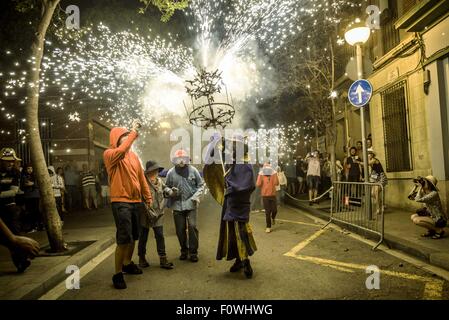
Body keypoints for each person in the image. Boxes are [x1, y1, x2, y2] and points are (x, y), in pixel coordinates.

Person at [104, 120, 153, 290]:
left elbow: (141, 177)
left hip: (135, 201)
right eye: (123, 137)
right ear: (116, 139)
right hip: (121, 202)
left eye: (128, 137)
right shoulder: (110, 154)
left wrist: (147, 197)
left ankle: (127, 263)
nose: (127, 140)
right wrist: (132, 132)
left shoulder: (134, 157)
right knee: (124, 238)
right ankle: (117, 274)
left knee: (134, 235)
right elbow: (122, 150)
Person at [214, 136, 257, 279]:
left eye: (233, 147)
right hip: (231, 204)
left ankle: (246, 261)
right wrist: (221, 141)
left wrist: (231, 188)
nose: (230, 149)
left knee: (241, 233)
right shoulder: (231, 162)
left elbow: (248, 185)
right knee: (232, 233)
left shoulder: (245, 164)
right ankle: (239, 260)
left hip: (240, 204)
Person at [165, 149, 204, 263]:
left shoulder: (193, 171)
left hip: (191, 204)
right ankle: (183, 250)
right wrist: (170, 191)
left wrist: (196, 196)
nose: (181, 161)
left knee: (192, 226)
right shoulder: (171, 173)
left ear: (188, 160)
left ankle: (193, 252)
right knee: (180, 229)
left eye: (184, 159)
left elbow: (200, 185)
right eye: (179, 159)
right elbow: (166, 186)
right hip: (177, 205)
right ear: (175, 160)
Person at [0, 148, 34, 272]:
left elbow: (13, 192)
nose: (10, 163)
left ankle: (22, 261)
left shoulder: (16, 173)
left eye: (12, 161)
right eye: (7, 161)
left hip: (10, 208)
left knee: (14, 234)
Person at [138, 160, 174, 270]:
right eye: (154, 170)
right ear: (148, 172)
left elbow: (165, 188)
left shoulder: (159, 181)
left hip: (158, 213)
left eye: (157, 170)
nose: (156, 173)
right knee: (143, 236)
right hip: (146, 213)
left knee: (159, 235)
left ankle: (163, 259)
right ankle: (142, 258)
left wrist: (170, 191)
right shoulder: (142, 182)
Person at [256, 163, 279, 233]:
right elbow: (258, 184)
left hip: (273, 195)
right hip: (265, 196)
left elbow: (276, 183)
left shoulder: (273, 174)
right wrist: (260, 175)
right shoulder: (261, 175)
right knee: (267, 212)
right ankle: (268, 226)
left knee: (275, 210)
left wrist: (274, 174)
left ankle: (273, 218)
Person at [21, 164, 43, 232]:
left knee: (36, 211)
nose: (30, 170)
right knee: (30, 212)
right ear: (25, 169)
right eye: (28, 168)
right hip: (27, 196)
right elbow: (22, 185)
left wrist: (33, 184)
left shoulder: (35, 176)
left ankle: (38, 226)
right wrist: (27, 184)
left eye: (31, 168)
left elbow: (39, 184)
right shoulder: (23, 176)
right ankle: (33, 226)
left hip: (35, 195)